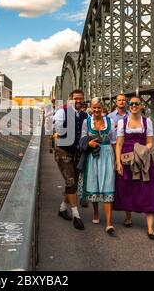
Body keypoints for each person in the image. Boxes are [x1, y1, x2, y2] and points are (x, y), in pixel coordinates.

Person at [114, 97, 154, 240]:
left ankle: (150, 228)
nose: (134, 106)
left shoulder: (147, 122)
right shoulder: (123, 122)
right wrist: (118, 162)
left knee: (147, 189)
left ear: (141, 106)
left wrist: (141, 151)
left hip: (143, 159)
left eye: (136, 104)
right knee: (127, 187)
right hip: (127, 159)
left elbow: (150, 142)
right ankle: (128, 216)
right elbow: (119, 144)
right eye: (131, 104)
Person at [78, 98, 117, 235]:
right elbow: (82, 139)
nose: (96, 110)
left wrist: (116, 159)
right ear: (91, 108)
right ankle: (95, 212)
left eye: (99, 108)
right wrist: (89, 144)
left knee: (108, 186)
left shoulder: (109, 121)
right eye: (94, 108)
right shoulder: (86, 122)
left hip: (107, 155)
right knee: (94, 184)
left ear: (102, 108)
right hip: (93, 156)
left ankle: (109, 223)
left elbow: (113, 141)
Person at [54, 89, 89, 230]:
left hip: (77, 152)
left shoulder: (85, 115)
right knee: (71, 181)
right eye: (76, 98)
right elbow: (58, 130)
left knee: (71, 185)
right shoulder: (62, 112)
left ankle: (62, 209)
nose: (79, 101)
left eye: (81, 98)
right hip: (64, 151)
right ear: (70, 99)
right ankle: (76, 216)